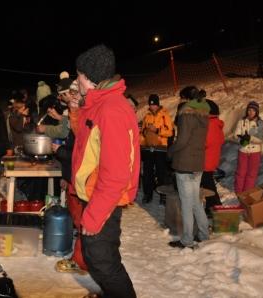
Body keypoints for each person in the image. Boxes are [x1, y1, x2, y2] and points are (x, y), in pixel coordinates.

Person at [73, 44, 139, 298]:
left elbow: (116, 173)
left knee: (102, 262)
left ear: (89, 78)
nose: (76, 78)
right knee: (98, 257)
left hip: (105, 200)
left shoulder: (111, 110)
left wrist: (95, 214)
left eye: (79, 74)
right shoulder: (101, 104)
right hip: (95, 194)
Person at [52, 77, 88, 274]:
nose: (70, 101)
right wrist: (66, 176)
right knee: (78, 220)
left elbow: (78, 155)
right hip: (74, 178)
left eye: (74, 96)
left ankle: (82, 261)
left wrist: (58, 151)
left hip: (82, 180)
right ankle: (81, 257)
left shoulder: (83, 121)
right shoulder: (76, 119)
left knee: (84, 223)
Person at [167, 88, 210, 249]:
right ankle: (204, 234)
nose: (180, 101)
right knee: (195, 202)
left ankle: (187, 240)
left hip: (185, 163)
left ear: (186, 99)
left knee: (186, 203)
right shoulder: (203, 115)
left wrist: (170, 151)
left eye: (181, 98)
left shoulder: (186, 115)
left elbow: (183, 140)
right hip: (197, 163)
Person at [140, 94, 174, 204]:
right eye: (151, 104)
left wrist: (157, 130)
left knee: (161, 173)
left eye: (154, 104)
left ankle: (163, 196)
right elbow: (142, 132)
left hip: (160, 148)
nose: (152, 106)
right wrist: (145, 132)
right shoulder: (147, 116)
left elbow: (170, 132)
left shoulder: (165, 115)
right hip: (148, 148)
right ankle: (147, 194)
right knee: (147, 172)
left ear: (158, 104)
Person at [234, 101, 263, 193]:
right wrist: (241, 140)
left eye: (253, 110)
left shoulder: (260, 123)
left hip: (255, 152)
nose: (251, 112)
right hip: (243, 151)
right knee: (241, 172)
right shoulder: (241, 121)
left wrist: (250, 138)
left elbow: (261, 139)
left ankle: (247, 192)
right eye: (249, 110)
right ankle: (239, 192)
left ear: (257, 112)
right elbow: (236, 134)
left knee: (251, 174)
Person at [201, 100, 224, 216]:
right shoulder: (215, 123)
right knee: (208, 183)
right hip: (210, 158)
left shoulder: (210, 124)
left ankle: (215, 206)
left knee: (208, 184)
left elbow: (205, 142)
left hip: (206, 160)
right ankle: (212, 206)